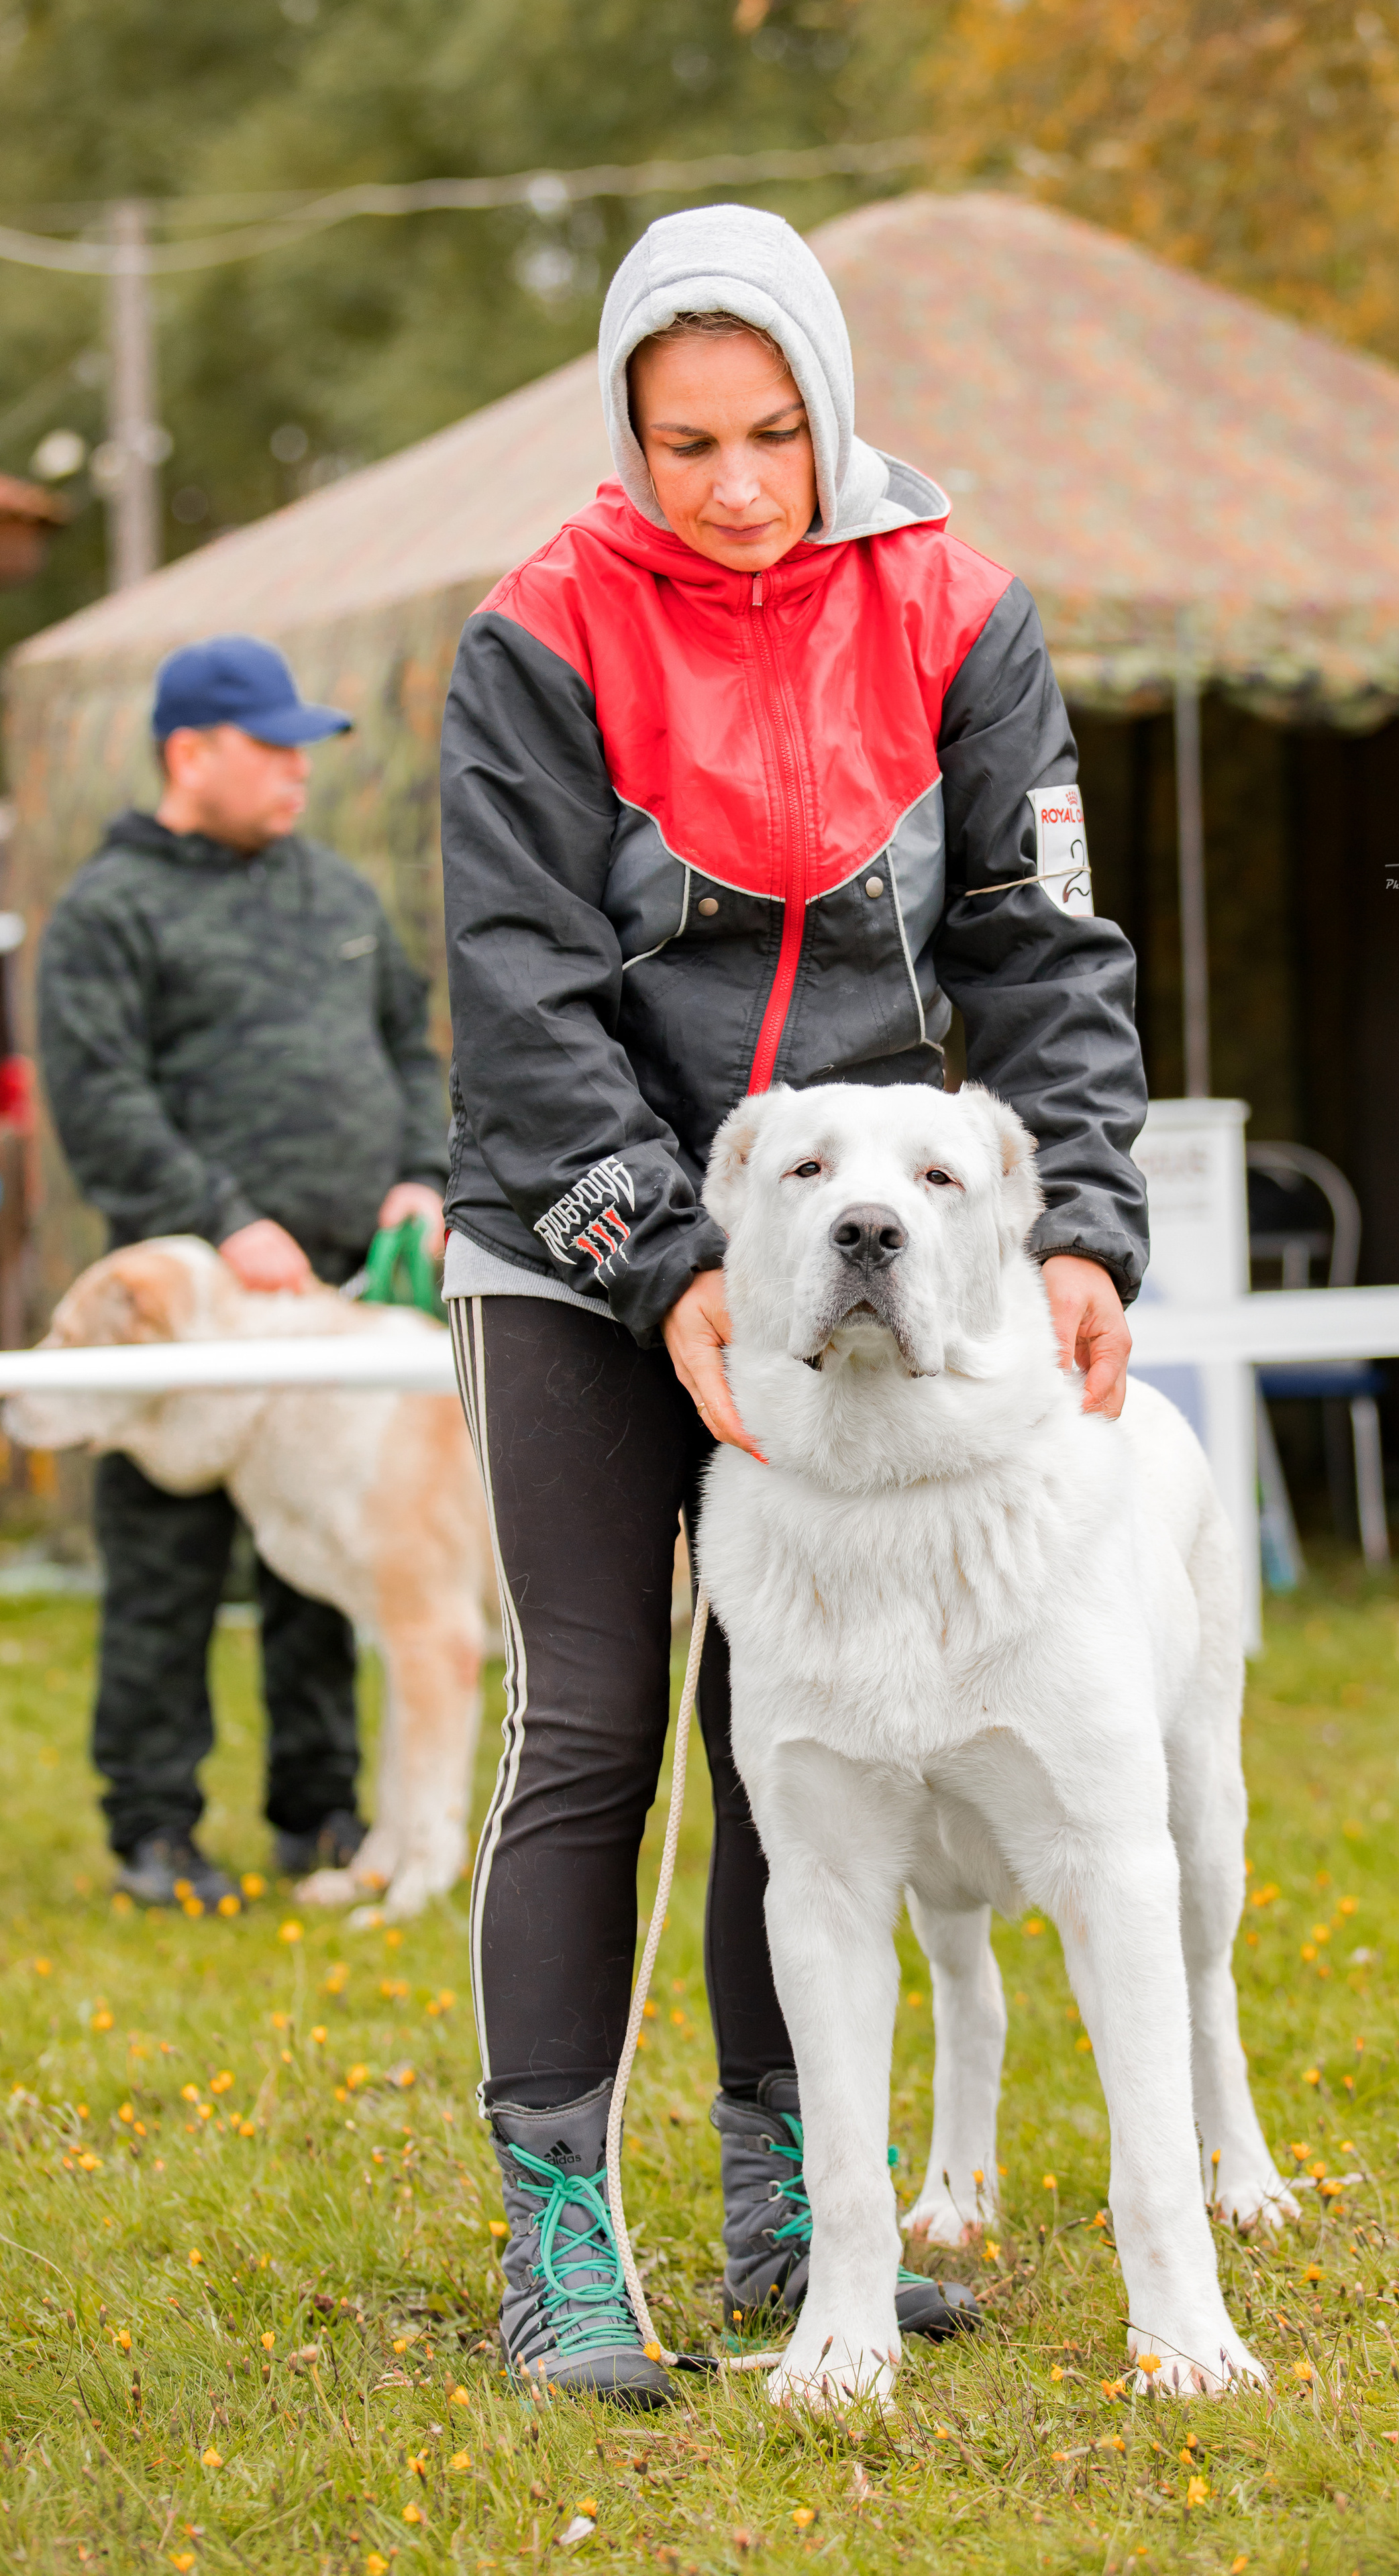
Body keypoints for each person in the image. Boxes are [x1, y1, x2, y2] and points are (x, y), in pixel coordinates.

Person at [439, 203, 1151, 2406]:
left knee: (800, 1740)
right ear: (621, 435)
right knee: (595, 1721)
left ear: (834, 412)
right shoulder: (534, 636)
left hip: (864, 1234)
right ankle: (562, 2227)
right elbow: (524, 1000)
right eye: (683, 444)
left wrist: (1082, 1223)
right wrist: (667, 1267)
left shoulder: (961, 609)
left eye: (772, 436)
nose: (735, 488)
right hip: (587, 1246)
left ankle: (786, 2206)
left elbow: (1045, 953)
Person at [37, 635, 450, 1911]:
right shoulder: (109, 911)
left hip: (339, 1304)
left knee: (322, 1565)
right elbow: (99, 1101)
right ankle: (156, 1831)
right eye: (271, 751)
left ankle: (317, 1814)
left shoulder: (336, 894)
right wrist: (217, 1219)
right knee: (164, 1565)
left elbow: (410, 1047)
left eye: (303, 752)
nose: (296, 774)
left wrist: (422, 1174)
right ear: (188, 753)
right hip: (185, 1310)